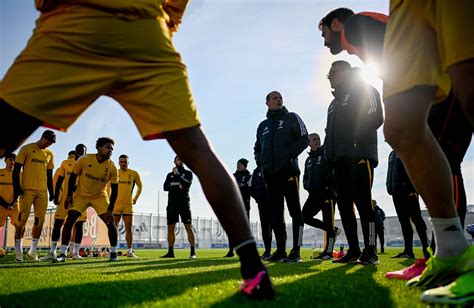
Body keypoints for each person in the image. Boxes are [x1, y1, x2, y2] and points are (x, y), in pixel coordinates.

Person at [0, 0, 273, 298]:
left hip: (75, 21)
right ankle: (254, 270)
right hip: (145, 28)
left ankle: (101, 250)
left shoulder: (112, 167)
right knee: (197, 149)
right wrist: (165, 20)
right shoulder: (82, 161)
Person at [324, 62, 383, 265]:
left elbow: (375, 115)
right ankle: (354, 250)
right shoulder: (333, 104)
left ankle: (371, 250)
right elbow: (328, 134)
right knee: (345, 207)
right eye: (328, 73)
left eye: (333, 72)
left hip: (359, 155)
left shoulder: (365, 89)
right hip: (338, 161)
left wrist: (356, 140)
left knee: (364, 205)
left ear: (346, 72)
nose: (329, 76)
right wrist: (328, 158)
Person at [254, 91, 309, 263]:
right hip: (270, 174)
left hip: (289, 172)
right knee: (276, 214)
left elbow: (304, 138)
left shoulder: (292, 117)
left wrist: (289, 156)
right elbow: (257, 149)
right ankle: (280, 251)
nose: (279, 100)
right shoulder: (262, 126)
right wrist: (261, 165)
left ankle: (297, 250)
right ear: (267, 103)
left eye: (280, 98)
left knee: (294, 210)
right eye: (275, 98)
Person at [53, 137, 119, 262]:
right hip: (81, 196)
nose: (110, 151)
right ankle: (62, 254)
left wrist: (110, 209)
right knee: (69, 221)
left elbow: (115, 190)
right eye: (107, 147)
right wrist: (69, 195)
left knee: (111, 223)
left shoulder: (112, 167)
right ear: (99, 148)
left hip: (100, 197)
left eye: (112, 149)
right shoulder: (84, 159)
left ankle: (114, 253)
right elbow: (72, 177)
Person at [12, 130, 55, 262]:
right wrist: (17, 188)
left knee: (40, 221)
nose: (47, 146)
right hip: (27, 190)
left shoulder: (49, 154)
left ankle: (33, 250)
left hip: (42, 192)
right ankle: (18, 250)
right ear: (42, 138)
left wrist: (51, 192)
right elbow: (16, 170)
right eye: (47, 142)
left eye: (50, 144)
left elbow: (49, 175)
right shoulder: (26, 149)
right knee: (22, 220)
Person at [40, 144, 88, 261]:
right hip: (65, 200)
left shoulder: (88, 165)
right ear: (75, 152)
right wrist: (56, 196)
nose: (80, 154)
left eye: (83, 152)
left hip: (81, 200)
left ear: (85, 153)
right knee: (57, 224)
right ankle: (52, 252)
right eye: (78, 151)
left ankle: (75, 253)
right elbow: (59, 180)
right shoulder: (66, 163)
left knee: (79, 225)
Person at [386, 150, 430, 260]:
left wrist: (413, 189)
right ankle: (408, 251)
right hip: (396, 192)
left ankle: (427, 249)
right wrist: (389, 187)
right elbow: (390, 173)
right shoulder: (392, 154)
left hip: (409, 191)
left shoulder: (408, 148)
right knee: (404, 222)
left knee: (417, 219)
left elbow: (416, 169)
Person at [301, 133, 339, 260]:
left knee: (328, 220)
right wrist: (307, 186)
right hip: (314, 194)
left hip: (328, 193)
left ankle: (328, 252)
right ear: (309, 143)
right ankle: (333, 229)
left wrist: (328, 184)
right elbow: (305, 177)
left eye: (318, 139)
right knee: (304, 216)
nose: (317, 141)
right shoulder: (308, 160)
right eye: (314, 139)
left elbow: (334, 170)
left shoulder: (326, 153)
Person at [161, 156, 196, 259]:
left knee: (188, 227)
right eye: (178, 159)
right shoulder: (169, 175)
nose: (180, 161)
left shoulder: (188, 173)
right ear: (174, 161)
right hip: (172, 205)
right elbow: (165, 187)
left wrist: (178, 176)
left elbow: (187, 184)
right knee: (170, 229)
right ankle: (170, 252)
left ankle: (192, 252)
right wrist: (177, 186)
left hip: (184, 203)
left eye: (181, 159)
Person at [113, 154, 142, 259]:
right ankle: (113, 250)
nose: (123, 164)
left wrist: (135, 198)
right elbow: (107, 186)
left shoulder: (133, 173)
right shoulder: (115, 172)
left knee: (128, 228)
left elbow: (140, 186)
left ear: (128, 163)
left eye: (125, 162)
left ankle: (129, 251)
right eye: (121, 162)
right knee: (113, 228)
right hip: (116, 205)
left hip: (128, 205)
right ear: (118, 162)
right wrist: (108, 200)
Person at [225, 158, 252, 258]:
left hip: (244, 205)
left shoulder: (249, 176)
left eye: (240, 164)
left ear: (245, 165)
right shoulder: (233, 176)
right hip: (233, 205)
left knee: (244, 230)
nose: (238, 165)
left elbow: (248, 190)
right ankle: (231, 250)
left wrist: (240, 187)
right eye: (237, 164)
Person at [250, 166, 272, 259]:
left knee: (277, 226)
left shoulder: (272, 164)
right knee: (265, 228)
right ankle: (267, 251)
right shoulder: (256, 171)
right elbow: (252, 188)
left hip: (274, 202)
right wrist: (258, 197)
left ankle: (281, 251)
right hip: (262, 203)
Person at [0, 154, 20, 233]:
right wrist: (5, 204)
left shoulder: (19, 174)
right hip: (1, 205)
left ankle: (18, 245)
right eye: (11, 159)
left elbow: (18, 190)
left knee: (20, 226)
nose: (13, 162)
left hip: (14, 205)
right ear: (5, 160)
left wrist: (12, 204)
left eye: (14, 160)